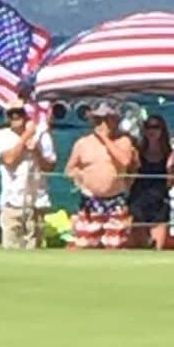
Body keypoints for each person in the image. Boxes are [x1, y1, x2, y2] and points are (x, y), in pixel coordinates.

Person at [64, 101, 139, 250]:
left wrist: (105, 139)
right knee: (85, 243)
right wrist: (78, 176)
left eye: (107, 119)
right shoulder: (82, 143)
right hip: (90, 200)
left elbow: (125, 161)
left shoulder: (123, 141)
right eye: (98, 120)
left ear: (115, 120)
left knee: (115, 244)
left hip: (115, 200)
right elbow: (69, 169)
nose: (102, 123)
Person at [0, 99, 57, 249]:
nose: (15, 117)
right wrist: (27, 136)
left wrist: (36, 151)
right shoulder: (1, 136)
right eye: (11, 114)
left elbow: (50, 167)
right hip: (11, 202)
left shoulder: (42, 136)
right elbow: (9, 159)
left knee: (35, 247)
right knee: (10, 246)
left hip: (36, 203)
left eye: (19, 113)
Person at [128, 113, 174, 249]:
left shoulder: (169, 153)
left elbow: (171, 184)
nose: (152, 131)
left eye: (156, 127)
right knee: (140, 246)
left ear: (162, 130)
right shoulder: (138, 151)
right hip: (138, 201)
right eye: (148, 127)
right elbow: (129, 177)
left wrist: (171, 170)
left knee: (157, 247)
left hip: (159, 201)